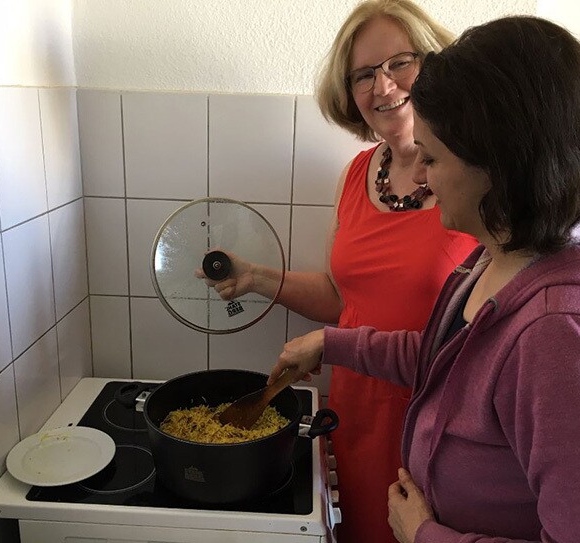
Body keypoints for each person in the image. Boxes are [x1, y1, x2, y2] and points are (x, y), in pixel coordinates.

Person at [269, 15, 580, 543]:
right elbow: (450, 363)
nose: (420, 176)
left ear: (499, 162)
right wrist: (334, 343)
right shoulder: (502, 254)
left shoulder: (563, 335)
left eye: (433, 158)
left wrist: (424, 535)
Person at [197, 1, 478, 540]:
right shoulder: (357, 174)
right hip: (354, 411)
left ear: (436, 64)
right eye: (364, 75)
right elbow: (343, 299)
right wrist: (257, 277)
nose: (384, 85)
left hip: (435, 425)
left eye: (401, 63)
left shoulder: (472, 177)